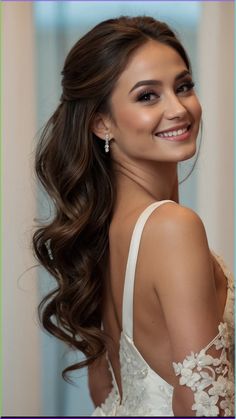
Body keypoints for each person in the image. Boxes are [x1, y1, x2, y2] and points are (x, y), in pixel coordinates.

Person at [33, 16, 234, 416]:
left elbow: (103, 394)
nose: (178, 108)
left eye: (184, 86)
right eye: (147, 96)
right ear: (102, 122)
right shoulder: (173, 227)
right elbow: (209, 409)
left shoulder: (100, 234)